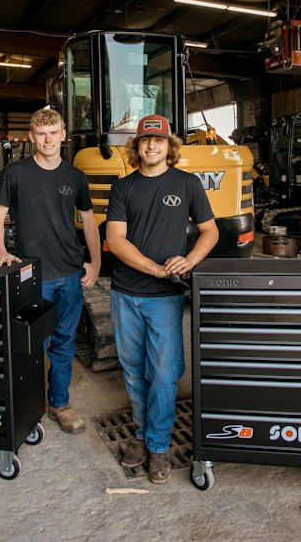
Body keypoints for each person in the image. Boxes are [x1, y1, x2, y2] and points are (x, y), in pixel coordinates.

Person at [106, 114, 219, 483]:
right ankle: (142, 435)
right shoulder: (123, 188)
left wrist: (190, 259)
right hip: (125, 293)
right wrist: (154, 268)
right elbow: (117, 240)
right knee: (134, 370)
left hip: (165, 298)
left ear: (169, 147)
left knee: (165, 374)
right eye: (145, 141)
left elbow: (209, 231)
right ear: (136, 147)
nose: (151, 146)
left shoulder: (187, 184)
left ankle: (157, 446)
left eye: (158, 141)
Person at [0, 108, 101, 435]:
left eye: (53, 132)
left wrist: (95, 262)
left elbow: (89, 221)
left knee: (64, 343)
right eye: (41, 133)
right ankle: (29, 403)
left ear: (63, 134)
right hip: (33, 276)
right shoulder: (15, 173)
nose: (48, 139)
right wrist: (0, 250)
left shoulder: (75, 177)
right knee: (32, 345)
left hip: (70, 274)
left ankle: (60, 404)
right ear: (32, 136)